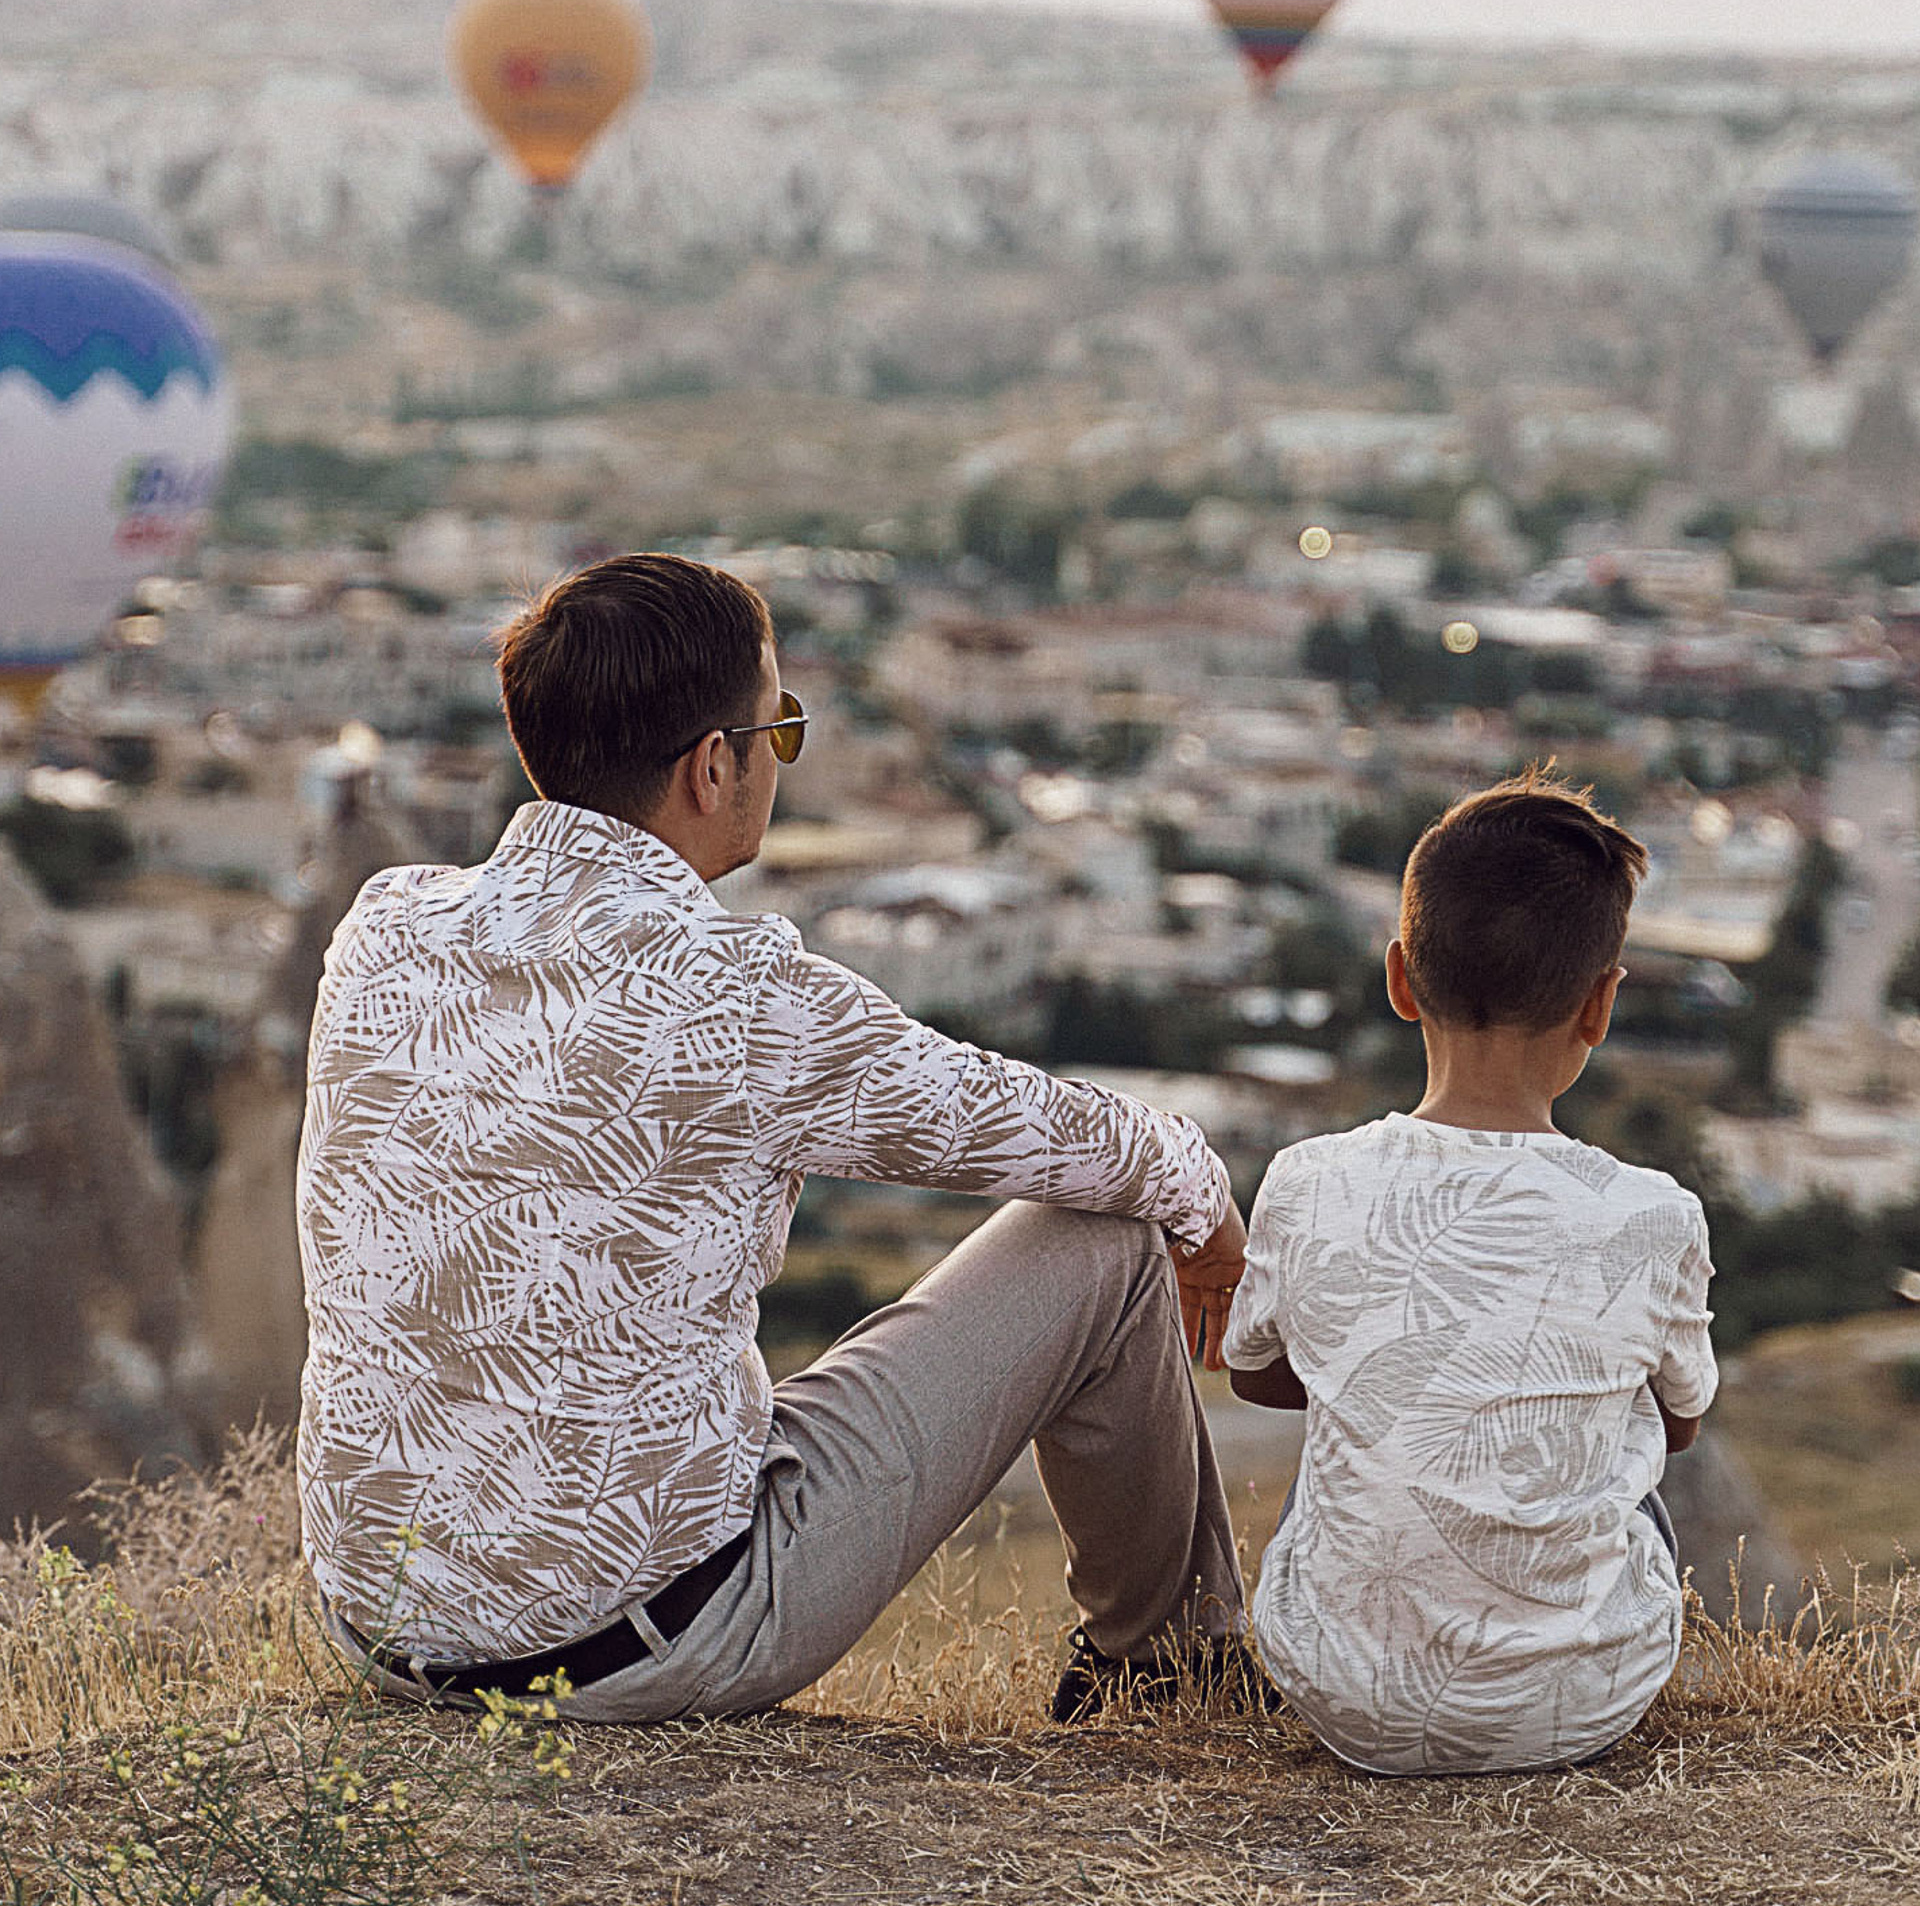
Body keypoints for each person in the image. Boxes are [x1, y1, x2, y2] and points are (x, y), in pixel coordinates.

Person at [296, 551, 1258, 1726]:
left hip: (386, 1630)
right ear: (714, 766)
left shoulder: (386, 929)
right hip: (638, 1646)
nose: (779, 759)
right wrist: (1205, 1208)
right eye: (777, 730)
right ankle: (1171, 1670)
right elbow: (1069, 1139)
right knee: (1105, 1242)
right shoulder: (735, 995)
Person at [1223, 771, 1716, 1775]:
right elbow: (1681, 1420)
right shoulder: (1655, 1214)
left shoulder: (1308, 1180)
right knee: (1629, 1448)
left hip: (1345, 1699)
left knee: (1350, 1432)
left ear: (1400, 978)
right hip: (1584, 1708)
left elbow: (1254, 1375)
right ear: (1600, 1006)